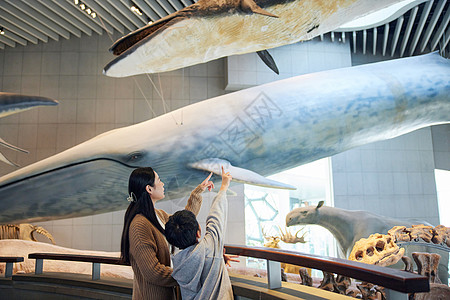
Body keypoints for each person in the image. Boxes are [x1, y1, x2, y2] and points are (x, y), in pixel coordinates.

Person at [120, 167, 214, 300]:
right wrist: (187, 275)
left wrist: (198, 192)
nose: (162, 183)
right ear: (149, 189)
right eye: (159, 180)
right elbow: (153, 272)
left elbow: (182, 224)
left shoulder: (157, 215)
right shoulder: (139, 225)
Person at [165, 166, 234, 300]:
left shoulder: (178, 264)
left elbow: (215, 219)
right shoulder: (210, 247)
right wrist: (224, 185)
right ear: (199, 232)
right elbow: (216, 216)